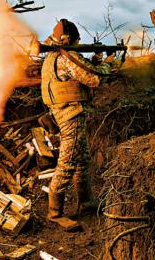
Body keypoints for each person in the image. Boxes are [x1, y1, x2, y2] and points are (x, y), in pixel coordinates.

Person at [41, 19, 111, 231]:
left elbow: (80, 71)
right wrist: (109, 63)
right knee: (68, 163)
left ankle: (87, 202)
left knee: (82, 159)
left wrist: (95, 60)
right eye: (78, 41)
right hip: (70, 116)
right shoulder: (66, 57)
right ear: (71, 39)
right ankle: (55, 213)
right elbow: (94, 79)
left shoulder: (52, 57)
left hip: (65, 113)